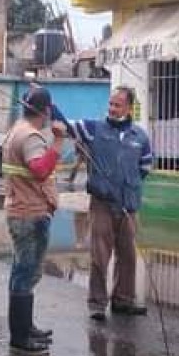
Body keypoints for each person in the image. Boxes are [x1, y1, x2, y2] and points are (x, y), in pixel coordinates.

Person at [51, 86, 154, 321]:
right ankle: (97, 304)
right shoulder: (93, 129)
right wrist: (49, 103)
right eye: (110, 104)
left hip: (128, 206)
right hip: (102, 205)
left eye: (118, 105)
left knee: (127, 256)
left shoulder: (140, 137)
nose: (112, 108)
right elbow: (65, 124)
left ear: (129, 108)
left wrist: (129, 188)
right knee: (100, 255)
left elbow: (145, 167)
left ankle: (123, 300)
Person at [3, 87, 66, 353]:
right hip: (29, 213)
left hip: (21, 209)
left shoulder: (17, 129)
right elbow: (40, 170)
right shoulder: (30, 137)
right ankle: (20, 338)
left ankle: (25, 328)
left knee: (22, 272)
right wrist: (59, 142)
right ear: (46, 110)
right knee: (26, 273)